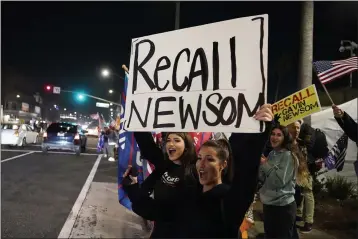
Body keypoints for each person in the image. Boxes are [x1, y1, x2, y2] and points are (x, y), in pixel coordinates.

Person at [123, 104, 273, 238]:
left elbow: (245, 170)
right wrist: (132, 188)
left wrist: (257, 131)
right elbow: (156, 211)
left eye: (210, 159)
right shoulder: (187, 197)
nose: (201, 164)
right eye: (200, 158)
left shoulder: (228, 200)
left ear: (223, 165)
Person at [127, 131, 198, 238]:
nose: (171, 144)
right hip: (159, 232)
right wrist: (132, 186)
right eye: (168, 140)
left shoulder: (194, 172)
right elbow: (147, 146)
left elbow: (167, 211)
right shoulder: (164, 165)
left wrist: (141, 203)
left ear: (187, 146)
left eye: (177, 140)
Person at [259, 125, 298, 239]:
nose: (274, 137)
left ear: (285, 138)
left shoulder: (288, 156)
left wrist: (265, 164)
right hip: (269, 205)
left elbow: (279, 181)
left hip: (283, 207)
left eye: (279, 135)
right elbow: (264, 177)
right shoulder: (272, 154)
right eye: (273, 134)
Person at [288, 120, 314, 233]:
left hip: (303, 172)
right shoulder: (285, 143)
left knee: (307, 193)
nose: (296, 130)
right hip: (290, 174)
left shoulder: (303, 143)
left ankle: (308, 222)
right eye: (294, 127)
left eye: (298, 128)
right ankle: (297, 215)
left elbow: (305, 160)